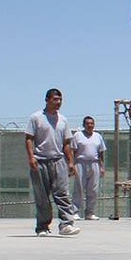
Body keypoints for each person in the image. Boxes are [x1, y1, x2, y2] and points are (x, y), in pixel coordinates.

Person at [24, 89, 80, 237]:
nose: (58, 103)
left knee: (62, 193)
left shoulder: (63, 120)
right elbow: (29, 138)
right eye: (55, 99)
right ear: (47, 100)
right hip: (40, 161)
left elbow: (66, 143)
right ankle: (42, 226)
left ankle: (66, 224)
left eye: (60, 100)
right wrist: (31, 157)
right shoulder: (36, 118)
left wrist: (71, 162)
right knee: (42, 196)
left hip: (58, 160)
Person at [69, 116, 107, 221]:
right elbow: (72, 151)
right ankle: (75, 212)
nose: (90, 125)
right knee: (79, 188)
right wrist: (72, 164)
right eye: (87, 124)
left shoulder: (98, 136)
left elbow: (101, 153)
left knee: (93, 190)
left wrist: (102, 167)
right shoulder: (78, 135)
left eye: (91, 123)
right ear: (84, 125)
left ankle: (90, 213)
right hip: (80, 163)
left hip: (94, 164)